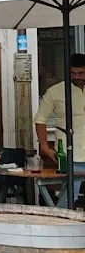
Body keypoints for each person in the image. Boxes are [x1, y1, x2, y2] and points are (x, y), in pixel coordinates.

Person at [34, 53, 85, 207]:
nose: (77, 77)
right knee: (70, 193)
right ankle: (59, 224)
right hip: (71, 153)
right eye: (73, 73)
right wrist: (44, 147)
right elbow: (40, 119)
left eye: (81, 73)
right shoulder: (55, 92)